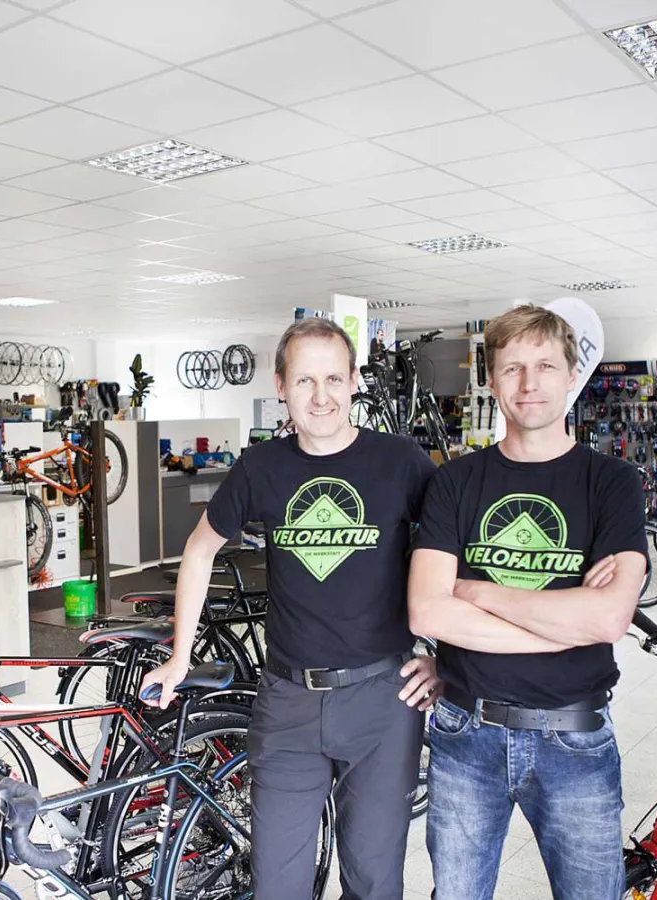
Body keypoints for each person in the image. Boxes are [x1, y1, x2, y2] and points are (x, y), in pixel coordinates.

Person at [142, 317, 441, 900]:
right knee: (277, 884)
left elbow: (449, 553)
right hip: (287, 706)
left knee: (374, 882)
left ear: (355, 381)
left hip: (382, 700)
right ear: (280, 386)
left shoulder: (401, 462)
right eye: (305, 380)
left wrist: (442, 656)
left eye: (334, 378)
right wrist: (180, 657)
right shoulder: (262, 467)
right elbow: (199, 550)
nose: (321, 396)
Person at [409, 305, 648, 900]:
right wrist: (566, 620)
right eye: (512, 367)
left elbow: (609, 617)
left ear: (573, 374)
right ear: (492, 381)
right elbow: (428, 613)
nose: (529, 382)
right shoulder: (456, 482)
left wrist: (479, 591)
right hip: (466, 734)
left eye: (545, 365)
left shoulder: (612, 482)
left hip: (575, 739)